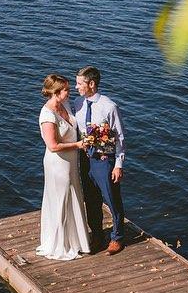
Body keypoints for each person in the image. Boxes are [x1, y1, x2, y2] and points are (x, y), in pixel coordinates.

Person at [36, 74, 90, 260]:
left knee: (74, 196)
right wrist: (78, 145)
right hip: (57, 163)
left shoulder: (65, 105)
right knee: (62, 199)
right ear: (56, 92)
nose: (70, 91)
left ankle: (77, 241)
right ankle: (61, 243)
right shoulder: (47, 115)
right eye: (66, 89)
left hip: (71, 162)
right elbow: (53, 146)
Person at [74, 66, 126, 255]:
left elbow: (119, 137)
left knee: (112, 199)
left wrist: (118, 165)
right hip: (85, 159)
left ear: (91, 84)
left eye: (79, 83)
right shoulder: (78, 103)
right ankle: (97, 235)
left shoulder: (109, 106)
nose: (76, 87)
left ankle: (117, 237)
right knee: (91, 199)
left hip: (104, 160)